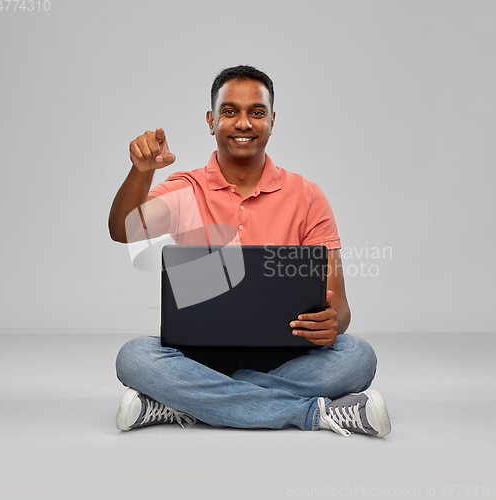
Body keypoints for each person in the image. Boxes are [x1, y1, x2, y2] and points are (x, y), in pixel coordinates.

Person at [108, 65, 391, 437]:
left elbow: (340, 307)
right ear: (211, 121)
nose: (244, 123)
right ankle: (314, 414)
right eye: (230, 111)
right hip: (200, 355)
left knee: (357, 357)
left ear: (272, 121)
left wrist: (333, 323)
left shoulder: (307, 196)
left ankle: (183, 402)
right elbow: (123, 230)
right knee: (134, 357)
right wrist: (141, 171)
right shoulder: (185, 189)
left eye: (256, 112)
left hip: (285, 355)